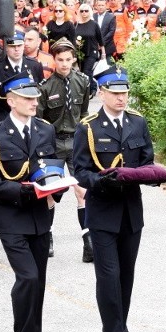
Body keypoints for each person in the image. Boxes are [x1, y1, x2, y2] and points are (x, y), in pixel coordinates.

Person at [73, 64, 155, 332]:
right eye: (116, 93)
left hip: (131, 212)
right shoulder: (89, 126)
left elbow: (146, 159)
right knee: (108, 277)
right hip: (103, 211)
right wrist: (100, 182)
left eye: (125, 93)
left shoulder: (137, 123)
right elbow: (79, 170)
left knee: (126, 278)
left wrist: (147, 175)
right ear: (102, 93)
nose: (122, 98)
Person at [0, 72, 61, 332]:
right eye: (27, 98)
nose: (33, 102)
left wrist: (56, 187)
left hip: (41, 216)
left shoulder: (45, 129)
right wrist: (23, 191)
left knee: (37, 283)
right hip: (12, 217)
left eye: (35, 98)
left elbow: (52, 167)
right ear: (11, 101)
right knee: (27, 277)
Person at [36, 39, 93, 262]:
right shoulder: (46, 87)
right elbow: (40, 120)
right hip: (54, 144)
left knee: (83, 191)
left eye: (68, 60)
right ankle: (47, 237)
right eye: (60, 60)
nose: (64, 64)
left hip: (77, 143)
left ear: (74, 59)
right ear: (54, 60)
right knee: (51, 192)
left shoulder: (83, 82)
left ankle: (88, 242)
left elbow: (85, 112)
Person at [0, 33, 44, 125]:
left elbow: (40, 97)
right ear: (6, 48)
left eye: (19, 45)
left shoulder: (35, 66)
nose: (16, 49)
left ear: (23, 46)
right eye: (12, 46)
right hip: (4, 119)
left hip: (29, 119)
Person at [74, 4, 104, 78]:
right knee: (81, 72)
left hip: (91, 51)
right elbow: (73, 37)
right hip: (80, 52)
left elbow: (100, 39)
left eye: (86, 11)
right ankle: (89, 87)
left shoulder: (94, 24)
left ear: (89, 12)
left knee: (86, 72)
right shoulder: (76, 24)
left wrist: (103, 53)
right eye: (82, 11)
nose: (84, 12)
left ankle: (92, 89)